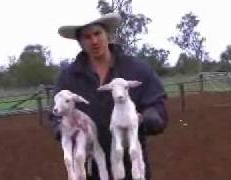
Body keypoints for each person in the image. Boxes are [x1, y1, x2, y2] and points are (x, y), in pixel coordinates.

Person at [50, 12, 168, 180]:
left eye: (98, 33)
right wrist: (62, 129)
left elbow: (157, 104)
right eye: (87, 37)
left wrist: (147, 117)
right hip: (91, 166)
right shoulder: (69, 77)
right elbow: (55, 114)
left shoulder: (137, 69)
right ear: (80, 42)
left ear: (107, 35)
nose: (94, 41)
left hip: (131, 165)